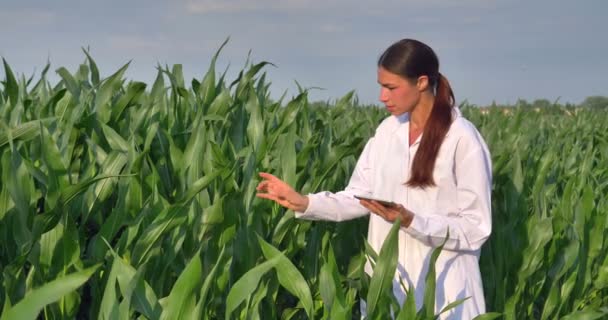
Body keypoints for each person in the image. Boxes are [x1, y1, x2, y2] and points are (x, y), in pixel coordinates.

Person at [256, 38, 492, 319]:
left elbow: (476, 227)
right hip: (387, 288)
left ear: (421, 82)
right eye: (381, 86)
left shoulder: (462, 138)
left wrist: (413, 222)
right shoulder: (386, 133)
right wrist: (304, 202)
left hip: (445, 295)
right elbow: (359, 197)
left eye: (391, 87)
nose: (382, 96)